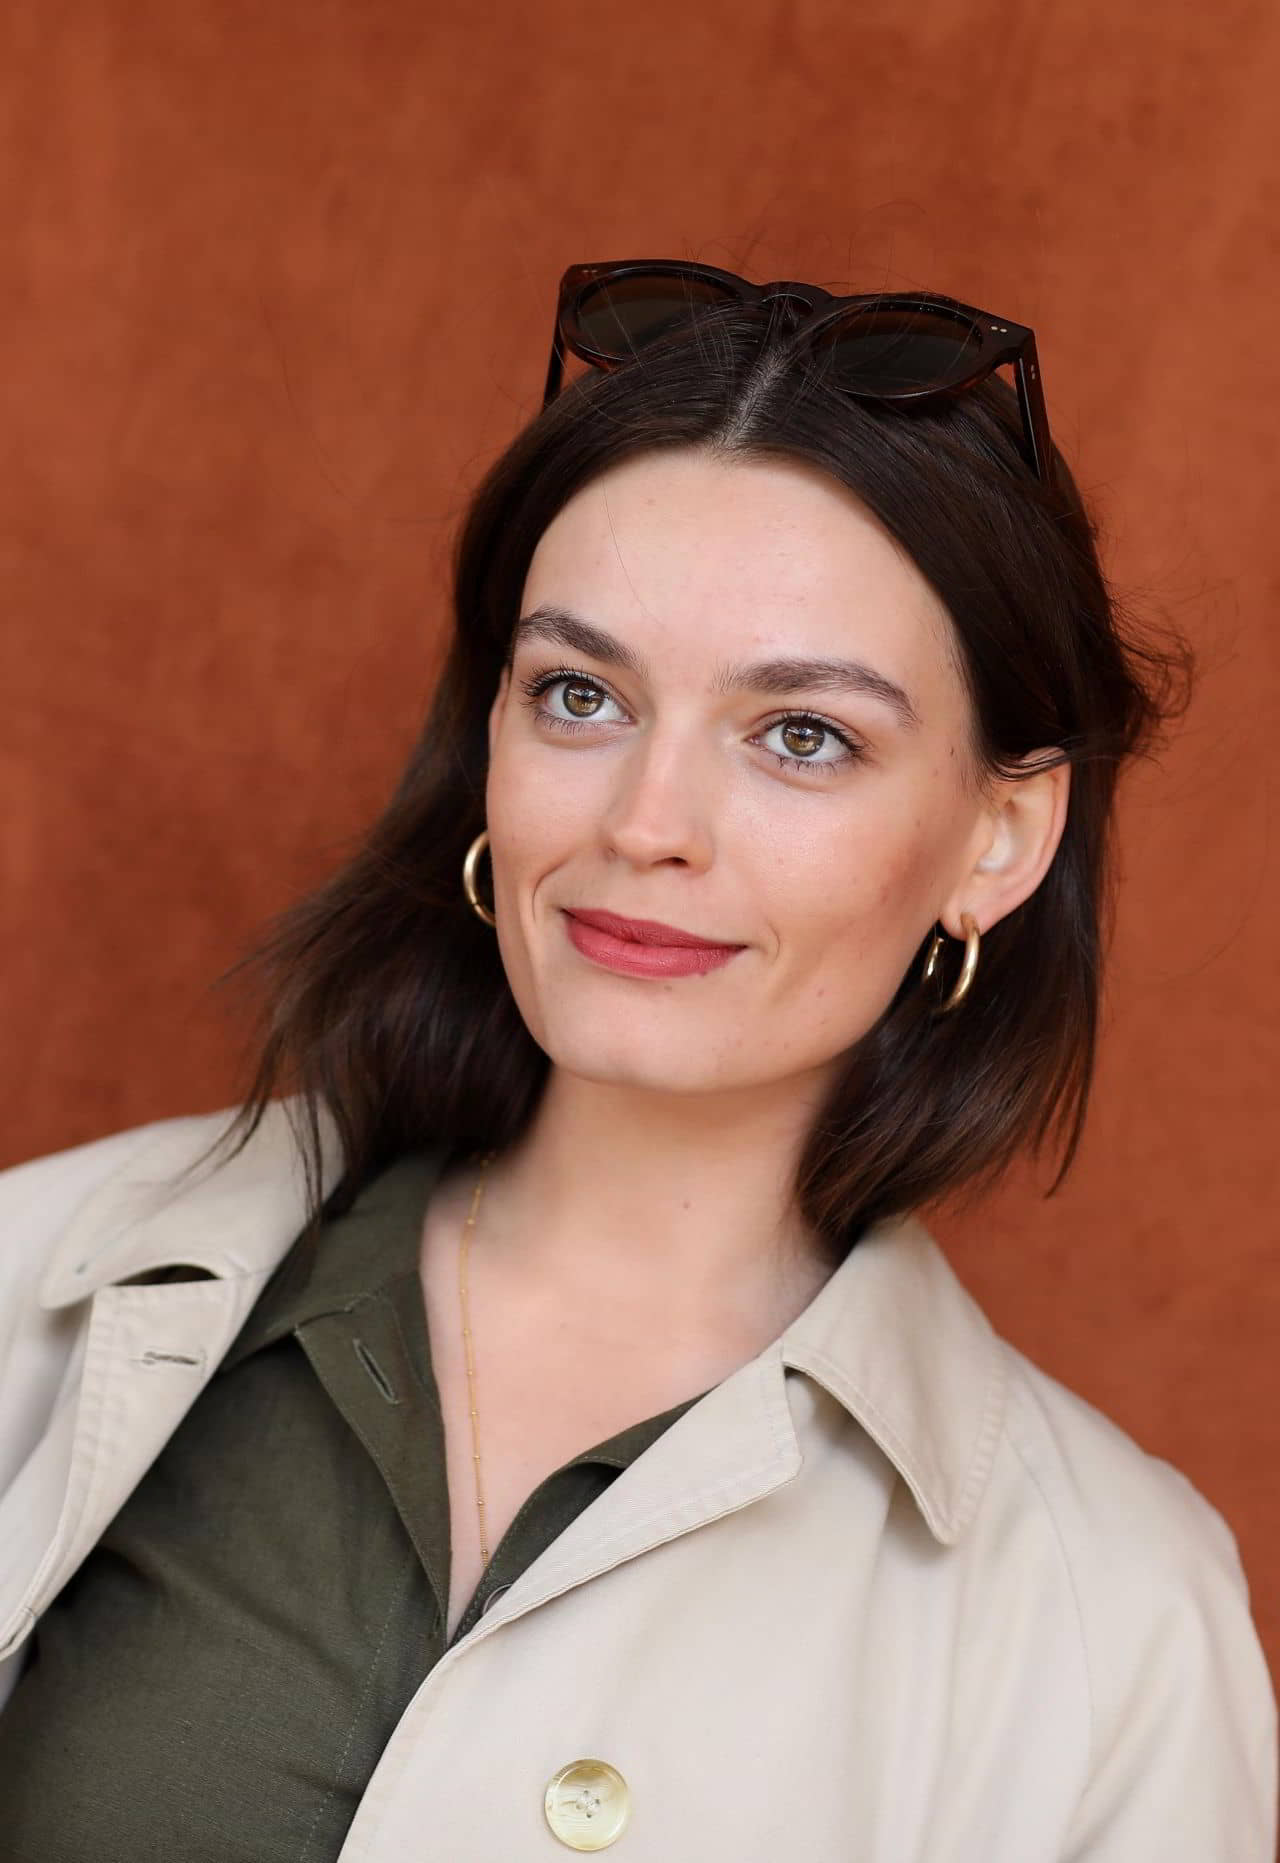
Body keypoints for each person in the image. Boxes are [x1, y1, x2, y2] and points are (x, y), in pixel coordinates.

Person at [0, 262, 1274, 1860]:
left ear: (1000, 833)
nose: (644, 825)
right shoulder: (32, 1281)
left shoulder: (1118, 1623)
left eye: (802, 733)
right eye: (580, 695)